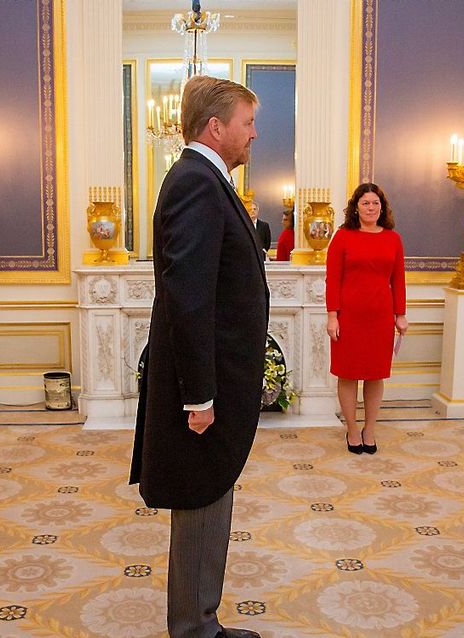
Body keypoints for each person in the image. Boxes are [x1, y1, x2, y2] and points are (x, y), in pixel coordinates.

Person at [130, 75, 268, 638]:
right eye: (248, 123)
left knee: (210, 493)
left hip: (217, 378)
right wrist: (200, 396)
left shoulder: (206, 180)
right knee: (202, 497)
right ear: (217, 127)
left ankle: (200, 619)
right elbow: (188, 298)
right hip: (207, 386)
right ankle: (193, 628)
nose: (254, 135)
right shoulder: (196, 182)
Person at [325, 183, 407, 454]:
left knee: (375, 376)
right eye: (365, 203)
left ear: (381, 208)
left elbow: (399, 281)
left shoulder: (393, 238)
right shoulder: (343, 237)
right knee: (348, 375)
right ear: (356, 208)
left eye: (375, 203)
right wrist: (332, 317)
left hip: (380, 317)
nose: (371, 208)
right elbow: (333, 279)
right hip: (348, 316)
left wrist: (401, 315)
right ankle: (351, 428)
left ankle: (369, 429)